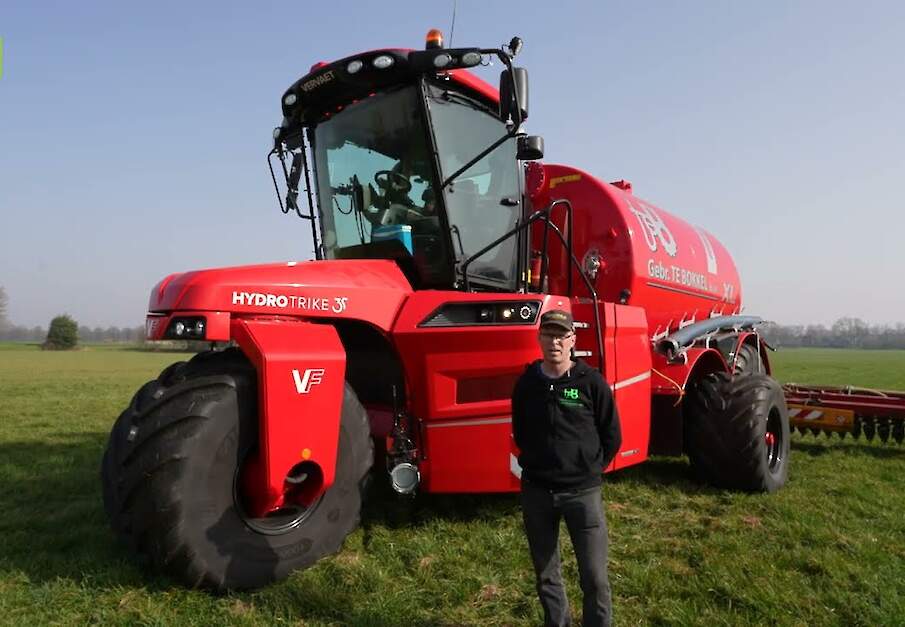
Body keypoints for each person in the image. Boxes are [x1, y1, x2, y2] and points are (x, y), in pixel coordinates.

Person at [511, 309, 622, 627]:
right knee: (547, 575)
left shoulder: (591, 383)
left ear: (573, 340)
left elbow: (611, 433)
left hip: (583, 494)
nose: (555, 342)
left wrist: (589, 468)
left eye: (561, 335)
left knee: (595, 578)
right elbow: (520, 431)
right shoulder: (527, 384)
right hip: (537, 493)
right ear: (539, 339)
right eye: (548, 335)